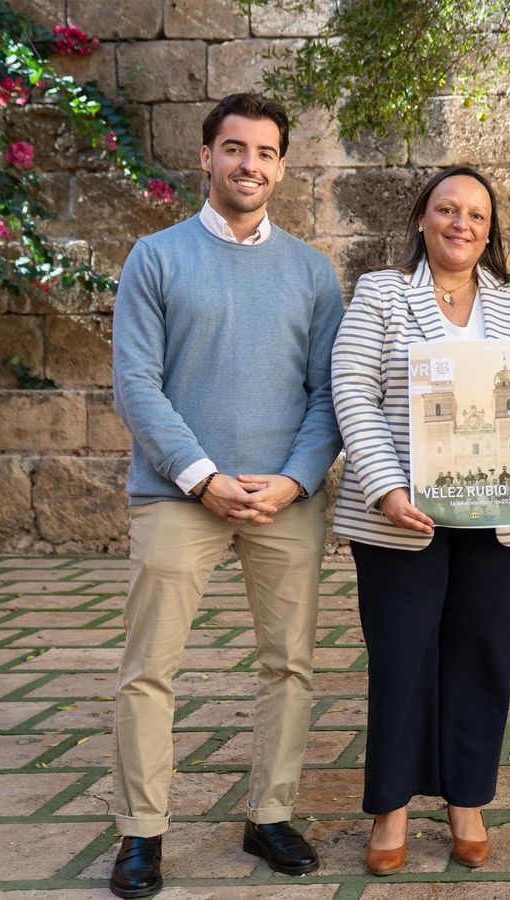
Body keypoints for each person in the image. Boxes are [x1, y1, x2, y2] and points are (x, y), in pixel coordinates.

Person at [108, 92, 343, 899]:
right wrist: (200, 477)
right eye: (235, 149)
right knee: (150, 669)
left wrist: (294, 479)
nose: (251, 165)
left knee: (290, 665)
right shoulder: (157, 257)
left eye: (267, 152)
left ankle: (269, 814)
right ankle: (142, 832)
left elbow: (328, 395)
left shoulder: (313, 272)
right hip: (179, 496)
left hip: (286, 498)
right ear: (206, 156)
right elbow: (136, 384)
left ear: (282, 165)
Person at [330, 166, 510, 876]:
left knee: (482, 654)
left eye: (475, 214)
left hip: (496, 514)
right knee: (403, 658)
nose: (461, 223)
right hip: (406, 513)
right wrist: (383, 488)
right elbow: (353, 390)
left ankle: (467, 798)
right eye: (446, 210)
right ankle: (392, 806)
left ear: (489, 231)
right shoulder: (381, 293)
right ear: (422, 219)